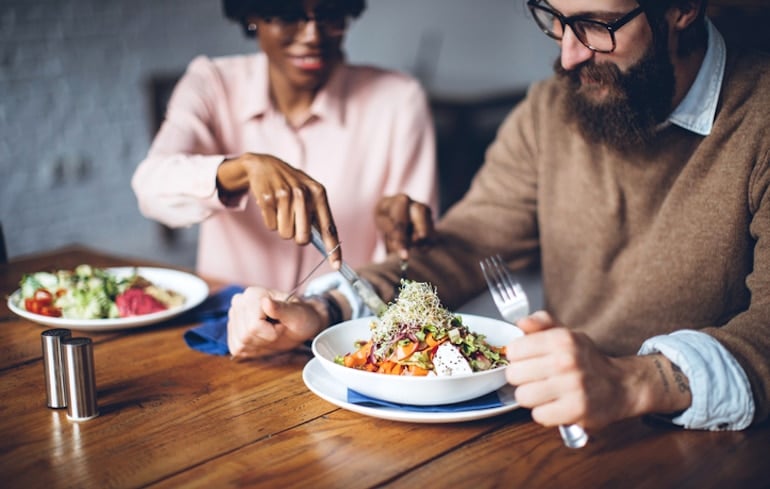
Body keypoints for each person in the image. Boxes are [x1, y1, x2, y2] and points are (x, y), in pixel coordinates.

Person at [226, 0, 770, 434]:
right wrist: (323, 310)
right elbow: (463, 247)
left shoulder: (760, 118)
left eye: (596, 26)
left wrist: (635, 383)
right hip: (560, 430)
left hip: (719, 448)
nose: (570, 56)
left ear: (682, 9)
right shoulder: (551, 108)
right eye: (556, 21)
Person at [131, 0, 438, 290]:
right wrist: (242, 169)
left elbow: (412, 264)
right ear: (251, 15)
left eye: (330, 14)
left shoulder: (399, 100)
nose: (312, 35)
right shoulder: (212, 83)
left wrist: (400, 233)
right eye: (288, 16)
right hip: (229, 321)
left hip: (347, 329)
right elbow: (150, 187)